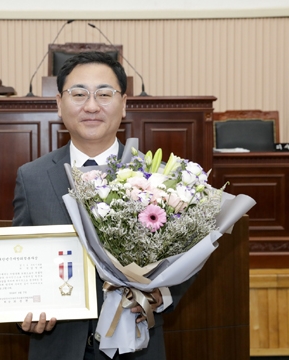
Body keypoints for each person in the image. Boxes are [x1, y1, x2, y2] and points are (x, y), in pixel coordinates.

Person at [12, 51, 194, 360]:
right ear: (59, 103)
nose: (92, 106)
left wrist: (160, 295)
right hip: (58, 347)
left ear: (124, 104)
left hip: (137, 347)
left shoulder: (159, 176)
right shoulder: (32, 177)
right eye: (79, 94)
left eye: (104, 94)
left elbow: (185, 259)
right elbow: (21, 258)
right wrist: (22, 307)